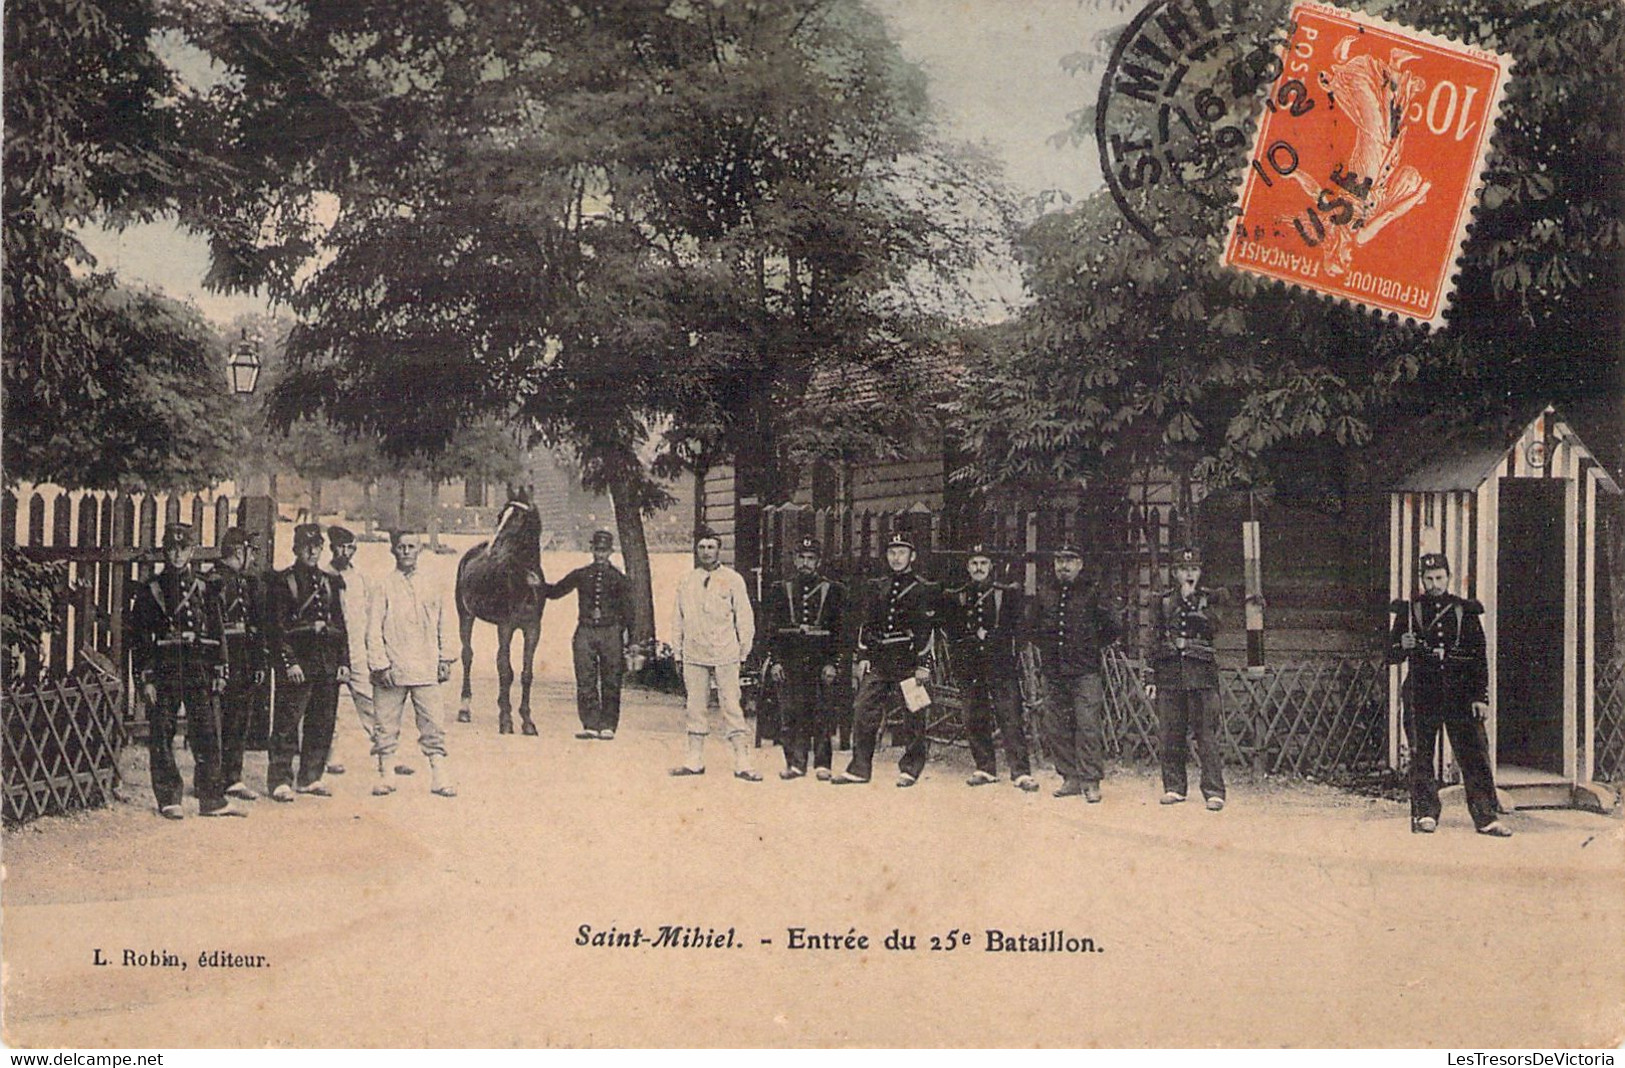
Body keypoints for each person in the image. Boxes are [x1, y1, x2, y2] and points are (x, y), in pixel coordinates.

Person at [1388, 552, 1510, 836]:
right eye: (1429, 579)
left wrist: (1481, 696)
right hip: (1422, 693)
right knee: (1422, 754)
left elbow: (1478, 656)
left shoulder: (1464, 610)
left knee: (1474, 754)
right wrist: (1402, 645)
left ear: (1448, 577)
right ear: (1422, 580)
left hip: (1461, 695)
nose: (1435, 584)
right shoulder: (1409, 612)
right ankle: (1426, 812)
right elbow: (1390, 656)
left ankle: (1486, 816)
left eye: (1440, 578)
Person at [127, 524, 241, 818]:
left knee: (206, 732)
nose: (178, 555)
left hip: (197, 667)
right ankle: (169, 797)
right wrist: (145, 677)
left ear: (192, 551)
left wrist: (219, 668)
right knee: (162, 733)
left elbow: (217, 629)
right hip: (164, 669)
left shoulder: (203, 586)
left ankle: (211, 798)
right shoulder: (151, 589)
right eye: (172, 549)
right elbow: (139, 639)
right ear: (165, 551)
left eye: (184, 549)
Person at [834, 534, 941, 788]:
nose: (896, 558)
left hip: (908, 660)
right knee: (862, 708)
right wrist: (863, 656)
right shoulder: (876, 586)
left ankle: (911, 768)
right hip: (880, 659)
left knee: (914, 713)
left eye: (902, 553)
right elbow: (867, 623)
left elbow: (928, 629)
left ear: (912, 556)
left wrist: (924, 664)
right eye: (892, 553)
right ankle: (860, 768)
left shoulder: (922, 588)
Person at [367, 529, 457, 797]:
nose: (406, 552)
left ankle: (439, 776)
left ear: (420, 550)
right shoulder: (383, 586)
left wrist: (445, 658)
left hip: (425, 666)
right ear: (393, 550)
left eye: (411, 547)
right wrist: (380, 665)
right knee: (385, 722)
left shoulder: (433, 584)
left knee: (433, 723)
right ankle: (386, 774)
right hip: (392, 668)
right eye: (401, 547)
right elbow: (372, 629)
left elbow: (445, 622)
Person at [1028, 545, 1119, 801]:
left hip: (1084, 671)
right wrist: (1048, 650)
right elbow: (1032, 625)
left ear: (1080, 564)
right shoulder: (1045, 591)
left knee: (1087, 725)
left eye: (1069, 561)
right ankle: (1070, 777)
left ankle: (1091, 781)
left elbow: (1112, 626)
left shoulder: (1092, 591)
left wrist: (1087, 647)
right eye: (1059, 560)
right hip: (1054, 670)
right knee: (1057, 725)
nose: (1063, 566)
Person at [267, 523, 349, 802]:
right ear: (296, 548)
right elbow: (277, 629)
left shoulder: (329, 581)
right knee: (287, 722)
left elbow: (339, 623)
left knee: (322, 721)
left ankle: (311, 776)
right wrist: (289, 662)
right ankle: (280, 778)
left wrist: (343, 662)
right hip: (298, 663)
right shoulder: (284, 582)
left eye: (317, 546)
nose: (312, 551)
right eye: (306, 546)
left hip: (326, 661)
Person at [669, 526, 758, 780]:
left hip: (725, 652)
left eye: (711, 547)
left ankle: (742, 761)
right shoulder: (687, 580)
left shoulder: (732, 579)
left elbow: (744, 616)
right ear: (696, 551)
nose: (706, 552)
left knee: (731, 704)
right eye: (702, 547)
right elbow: (678, 617)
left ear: (719, 550)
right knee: (695, 706)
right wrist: (678, 651)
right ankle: (694, 759)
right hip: (694, 653)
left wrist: (743, 651)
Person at [947, 544, 1037, 792]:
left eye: (983, 563)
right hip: (971, 665)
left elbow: (1019, 628)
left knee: (1010, 717)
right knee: (974, 716)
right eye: (974, 564)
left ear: (991, 567)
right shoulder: (961, 594)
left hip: (1000, 664)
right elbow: (953, 632)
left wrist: (1008, 650)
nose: (979, 568)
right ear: (968, 567)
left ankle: (1020, 772)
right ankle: (985, 767)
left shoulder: (1004, 594)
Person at [1147, 546, 1226, 811]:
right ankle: (1174, 787)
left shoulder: (1210, 598)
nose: (1189, 574)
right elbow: (1154, 637)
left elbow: (1214, 626)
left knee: (1206, 734)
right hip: (1170, 673)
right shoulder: (1164, 600)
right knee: (1171, 733)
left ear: (1200, 572)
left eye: (1193, 569)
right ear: (1175, 572)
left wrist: (1192, 601)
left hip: (1201, 674)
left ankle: (1214, 791)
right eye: (1183, 569)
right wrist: (1150, 675)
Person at [763, 536, 847, 780]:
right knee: (791, 712)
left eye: (811, 559)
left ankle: (822, 763)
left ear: (818, 562)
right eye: (801, 558)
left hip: (821, 659)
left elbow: (840, 630)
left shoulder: (833, 591)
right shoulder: (780, 590)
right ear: (794, 559)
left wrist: (834, 662)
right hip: (790, 659)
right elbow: (771, 630)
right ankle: (795, 763)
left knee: (822, 711)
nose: (806, 563)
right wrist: (775, 661)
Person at [544, 529, 632, 741]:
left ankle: (608, 725)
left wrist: (630, 639)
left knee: (611, 679)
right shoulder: (581, 575)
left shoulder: (619, 579)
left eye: (604, 551)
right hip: (585, 631)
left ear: (611, 552)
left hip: (610, 632)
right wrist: (537, 584)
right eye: (597, 550)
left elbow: (629, 611)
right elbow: (556, 591)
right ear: (591, 550)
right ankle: (590, 724)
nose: (600, 555)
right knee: (585, 678)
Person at [212, 527, 266, 802]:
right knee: (217, 719)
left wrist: (257, 661)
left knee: (238, 719)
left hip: (242, 657)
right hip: (221, 658)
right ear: (238, 551)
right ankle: (211, 780)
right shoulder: (215, 581)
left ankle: (232, 777)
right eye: (251, 552)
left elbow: (254, 627)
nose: (253, 558)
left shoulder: (243, 581)